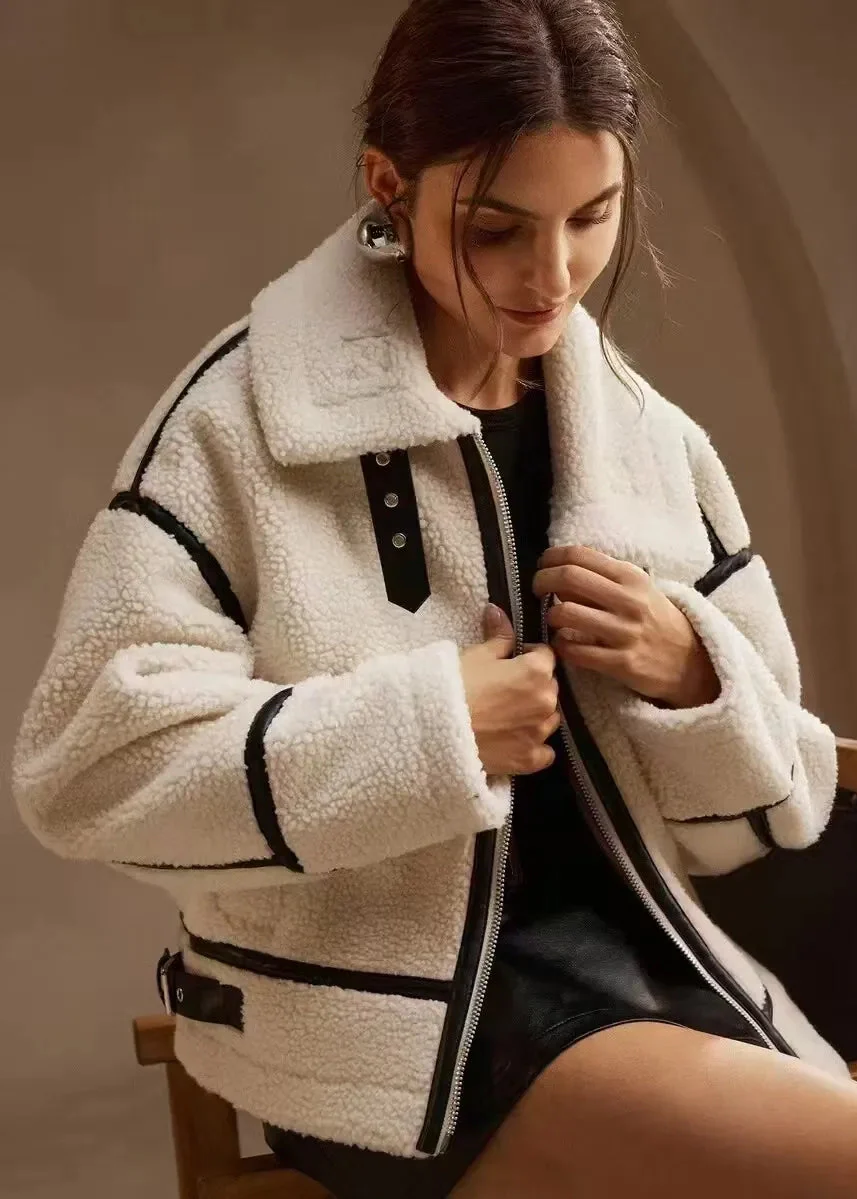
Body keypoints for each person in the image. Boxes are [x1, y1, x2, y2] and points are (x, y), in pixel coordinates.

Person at [12, 0, 857, 1195]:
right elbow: (88, 767)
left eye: (591, 216)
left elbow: (793, 792)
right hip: (382, 1041)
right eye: (497, 227)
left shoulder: (644, 442)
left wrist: (691, 672)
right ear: (388, 185)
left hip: (654, 960)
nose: (551, 275)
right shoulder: (240, 423)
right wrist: (429, 727)